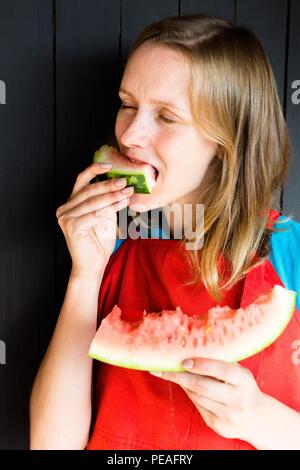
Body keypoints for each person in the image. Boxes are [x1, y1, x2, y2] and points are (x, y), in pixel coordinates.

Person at [29, 14, 300, 450]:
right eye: (127, 104)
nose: (130, 135)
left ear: (227, 140)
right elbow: (50, 444)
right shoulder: (112, 244)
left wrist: (262, 421)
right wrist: (85, 274)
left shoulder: (291, 251)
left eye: (167, 117)